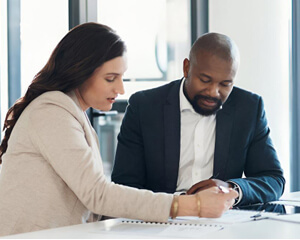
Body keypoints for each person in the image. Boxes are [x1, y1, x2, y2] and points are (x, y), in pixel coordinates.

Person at [0, 23, 237, 237]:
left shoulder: (73, 114)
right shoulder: (52, 111)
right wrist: (192, 205)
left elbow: (96, 203)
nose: (121, 89)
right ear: (81, 71)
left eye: (121, 77)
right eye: (111, 78)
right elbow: (98, 195)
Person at [112, 32, 285, 206]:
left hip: (223, 224)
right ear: (186, 68)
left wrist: (231, 189)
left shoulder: (248, 108)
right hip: (161, 219)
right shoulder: (144, 107)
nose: (213, 92)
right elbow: (124, 185)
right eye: (204, 80)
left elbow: (273, 180)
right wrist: (178, 206)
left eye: (225, 84)